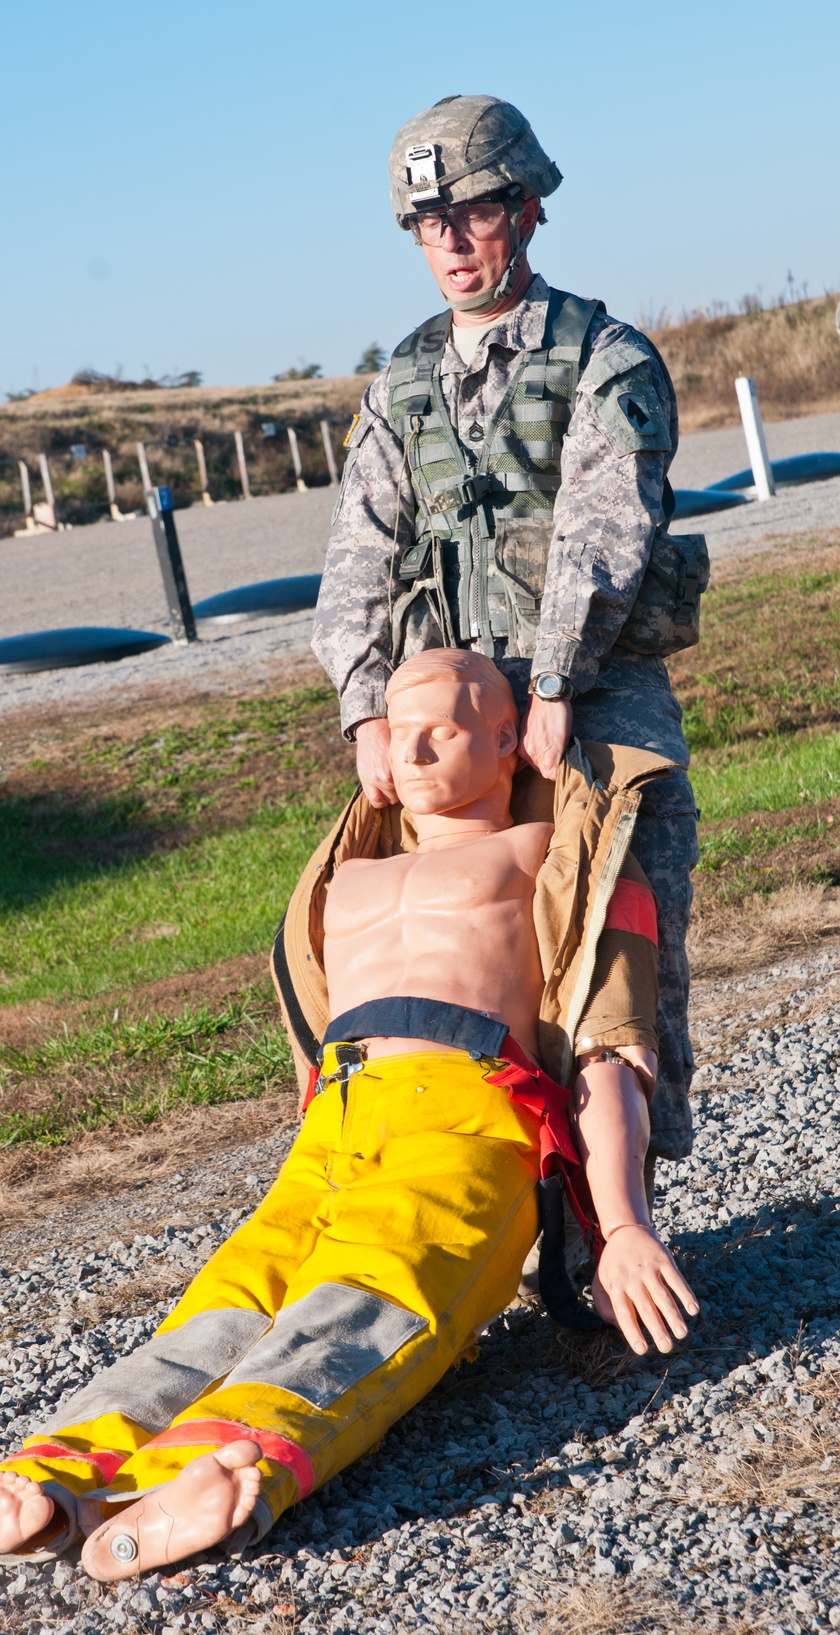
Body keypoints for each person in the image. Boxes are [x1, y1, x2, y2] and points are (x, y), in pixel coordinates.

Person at [0, 651, 697, 1585]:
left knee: (365, 1301)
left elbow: (612, 1041)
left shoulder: (566, 858)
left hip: (472, 1121)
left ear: (511, 738)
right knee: (225, 1303)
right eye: (398, 728)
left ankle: (223, 1469)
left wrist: (622, 1223)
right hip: (335, 1122)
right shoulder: (344, 871)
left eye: (444, 724)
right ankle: (49, 1476)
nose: (414, 747)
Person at [312, 93, 704, 1169]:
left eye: (471, 214)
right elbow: (358, 552)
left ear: (525, 210)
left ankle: (620, 1210)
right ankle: (468, 1188)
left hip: (590, 702)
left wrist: (556, 687)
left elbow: (602, 529)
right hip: (442, 723)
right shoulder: (399, 386)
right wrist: (362, 716)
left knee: (622, 949)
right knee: (440, 969)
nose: (448, 241)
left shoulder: (603, 357)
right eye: (425, 223)